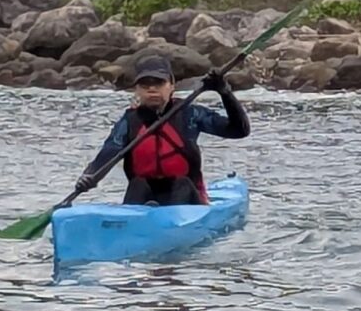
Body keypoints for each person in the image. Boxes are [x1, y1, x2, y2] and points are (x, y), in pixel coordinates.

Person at [77, 55, 250, 206]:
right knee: (138, 184)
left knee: (181, 183)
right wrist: (89, 176)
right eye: (145, 84)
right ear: (136, 90)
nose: (152, 89)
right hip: (143, 198)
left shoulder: (189, 114)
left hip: (187, 199)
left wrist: (224, 92)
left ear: (172, 85)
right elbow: (110, 151)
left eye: (159, 83)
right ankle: (137, 224)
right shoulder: (129, 121)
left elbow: (239, 130)